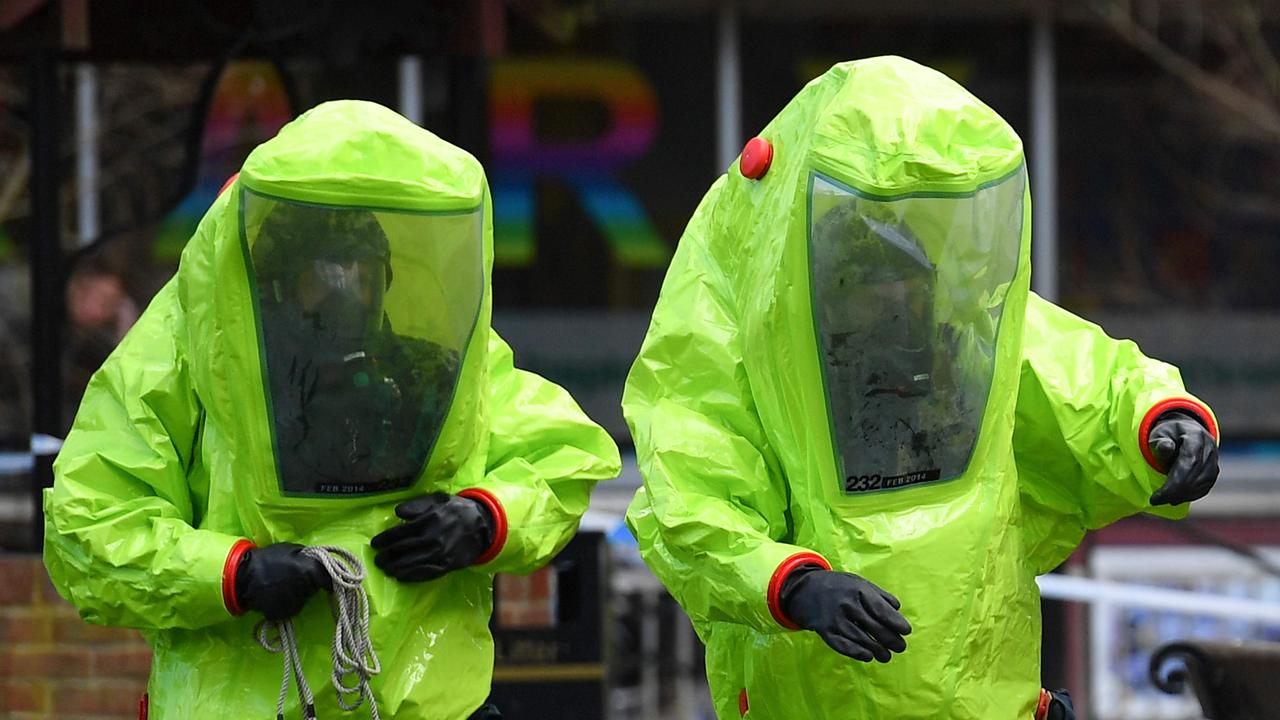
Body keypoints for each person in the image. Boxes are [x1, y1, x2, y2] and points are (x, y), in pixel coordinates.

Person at [624, 57, 1220, 720]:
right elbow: (691, 505)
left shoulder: (962, 345)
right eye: (865, 281)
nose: (892, 301)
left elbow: (1083, 383)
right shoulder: (748, 355)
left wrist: (1162, 424)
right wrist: (790, 586)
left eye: (903, 277)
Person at [44, 100, 621, 720]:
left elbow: (561, 457)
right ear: (271, 278)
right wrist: (232, 575)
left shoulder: (431, 370)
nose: (347, 292)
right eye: (325, 273)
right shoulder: (182, 362)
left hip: (425, 704)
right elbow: (90, 527)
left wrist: (484, 521)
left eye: (362, 273)